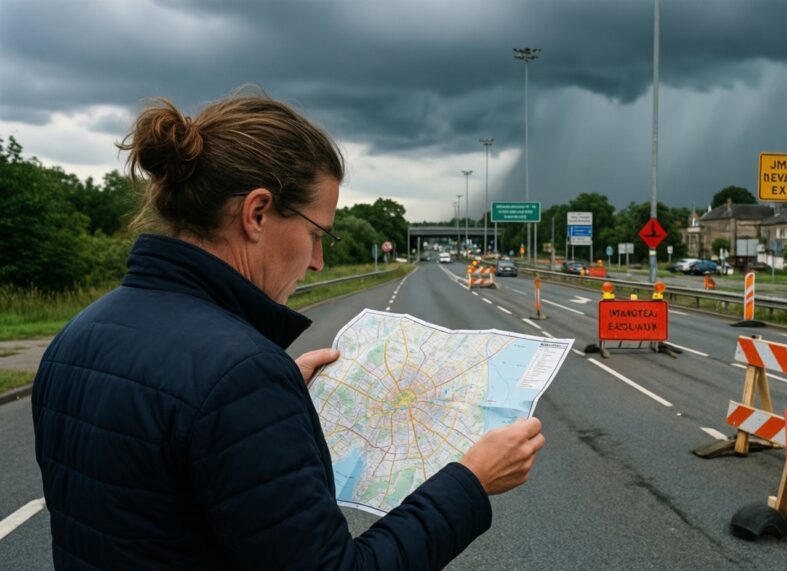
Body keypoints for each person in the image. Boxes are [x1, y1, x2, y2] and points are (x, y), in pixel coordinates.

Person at [32, 91, 546, 570]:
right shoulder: (240, 376)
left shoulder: (77, 337)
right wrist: (470, 483)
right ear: (256, 213)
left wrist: (266, 405)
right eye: (316, 232)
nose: (319, 261)